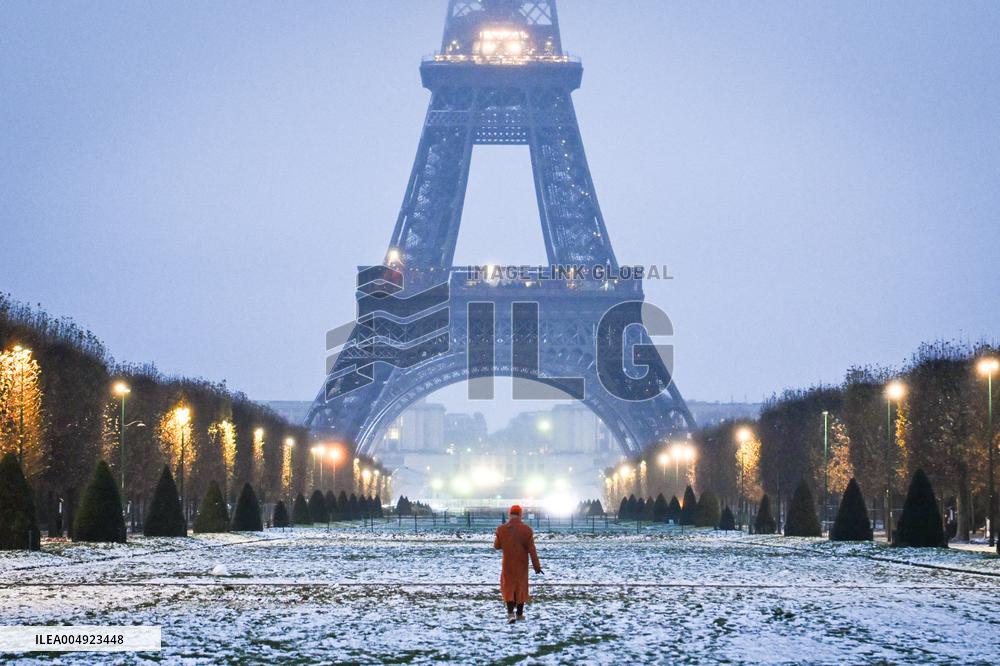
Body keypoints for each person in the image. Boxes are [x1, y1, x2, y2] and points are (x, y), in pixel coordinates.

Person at [493, 505, 543, 624]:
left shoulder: (501, 529)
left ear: (510, 514)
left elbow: (496, 546)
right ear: (521, 515)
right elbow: (532, 550)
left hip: (508, 564)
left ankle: (510, 614)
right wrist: (537, 567)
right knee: (521, 587)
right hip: (521, 564)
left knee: (509, 587)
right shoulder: (527, 530)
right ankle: (519, 614)